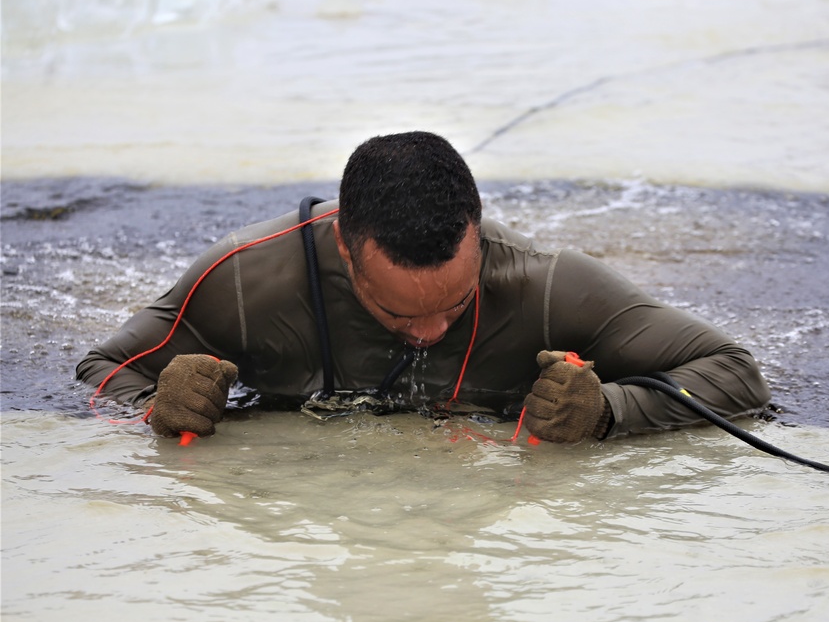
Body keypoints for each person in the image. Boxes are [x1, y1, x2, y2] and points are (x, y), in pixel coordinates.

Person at [77, 131, 771, 443]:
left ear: (477, 236)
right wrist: (157, 411)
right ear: (345, 250)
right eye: (398, 310)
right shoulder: (244, 281)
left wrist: (608, 412)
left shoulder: (544, 282)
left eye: (458, 303)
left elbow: (736, 375)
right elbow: (99, 372)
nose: (433, 330)